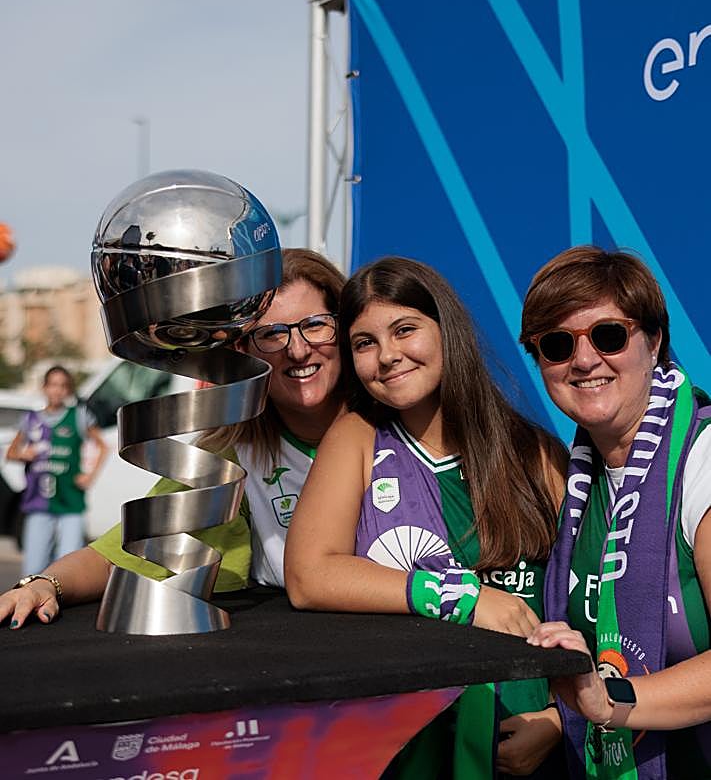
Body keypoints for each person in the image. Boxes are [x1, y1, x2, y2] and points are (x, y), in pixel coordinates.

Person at [285, 256, 568, 778]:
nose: (387, 356)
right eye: (364, 343)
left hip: (525, 743)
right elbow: (308, 576)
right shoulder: (357, 438)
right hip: (403, 743)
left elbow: (594, 608)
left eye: (404, 330)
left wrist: (559, 720)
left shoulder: (536, 454)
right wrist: (464, 597)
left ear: (446, 330)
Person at [0, 248, 345, 626]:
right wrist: (44, 584)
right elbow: (121, 552)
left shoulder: (395, 435)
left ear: (343, 329)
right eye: (271, 334)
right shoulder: (233, 457)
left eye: (315, 324)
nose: (297, 350)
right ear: (244, 353)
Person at [521, 246, 711, 779]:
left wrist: (610, 702)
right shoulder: (578, 480)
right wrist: (562, 718)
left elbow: (607, 691)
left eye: (608, 335)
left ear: (654, 342)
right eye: (557, 346)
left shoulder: (703, 460)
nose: (583, 361)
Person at [7, 365, 108, 576]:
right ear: (45, 387)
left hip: (70, 501)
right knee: (33, 570)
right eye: (53, 385)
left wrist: (90, 475)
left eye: (62, 386)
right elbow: (11, 453)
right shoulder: (31, 420)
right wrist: (24, 454)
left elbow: (102, 446)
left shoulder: (79, 416)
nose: (57, 390)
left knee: (66, 568)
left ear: (68, 390)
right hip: (38, 503)